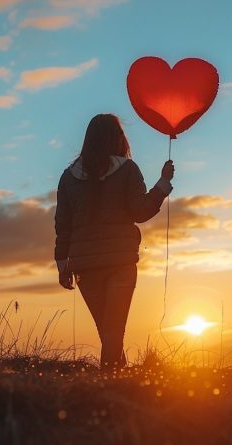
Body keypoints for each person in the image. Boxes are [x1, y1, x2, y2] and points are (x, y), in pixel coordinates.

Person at [54, 113, 173, 369]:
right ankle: (108, 393)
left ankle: (119, 386)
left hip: (85, 265)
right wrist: (163, 183)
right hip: (120, 261)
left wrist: (62, 263)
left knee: (108, 332)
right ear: (117, 138)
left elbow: (62, 225)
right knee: (113, 332)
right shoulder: (127, 169)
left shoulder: (68, 177)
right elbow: (140, 212)